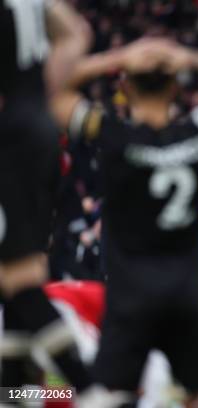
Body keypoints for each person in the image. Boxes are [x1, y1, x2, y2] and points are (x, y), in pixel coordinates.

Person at [51, 37, 198, 404]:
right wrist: (190, 57)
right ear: (177, 86)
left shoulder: (113, 136)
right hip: (185, 295)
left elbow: (55, 87)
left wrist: (118, 57)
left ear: (124, 86)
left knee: (110, 395)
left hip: (129, 297)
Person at [0, 0, 99, 393]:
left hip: (11, 140)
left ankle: (92, 391)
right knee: (14, 282)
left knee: (18, 281)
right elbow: (77, 34)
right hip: (34, 133)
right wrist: (38, 98)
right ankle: (14, 394)